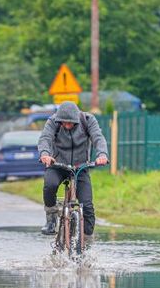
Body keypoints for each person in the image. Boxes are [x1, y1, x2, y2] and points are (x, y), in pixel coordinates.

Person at [37, 101, 109, 239]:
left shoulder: (88, 120)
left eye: (70, 123)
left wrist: (102, 154)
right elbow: (45, 138)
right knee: (49, 185)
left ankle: (87, 240)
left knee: (87, 206)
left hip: (80, 167)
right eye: (63, 123)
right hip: (57, 165)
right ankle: (51, 217)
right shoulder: (53, 121)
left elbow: (98, 138)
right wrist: (45, 154)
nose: (67, 125)